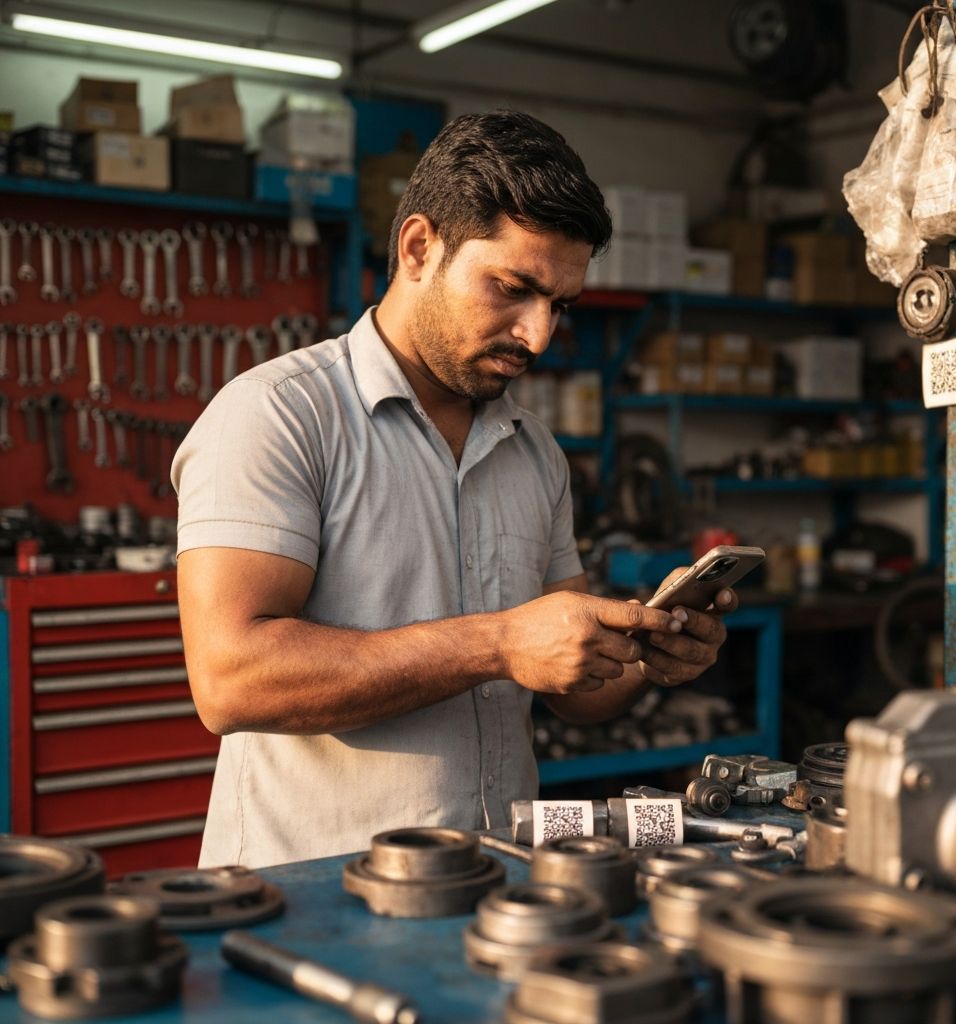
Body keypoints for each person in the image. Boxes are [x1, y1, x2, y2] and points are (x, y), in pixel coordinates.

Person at [172, 110, 734, 869]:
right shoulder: (277, 415)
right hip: (313, 897)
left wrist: (649, 651)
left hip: (497, 879)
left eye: (558, 306)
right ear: (417, 249)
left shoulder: (533, 452)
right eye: (512, 288)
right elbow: (230, 679)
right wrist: (499, 643)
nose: (537, 335)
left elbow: (577, 692)